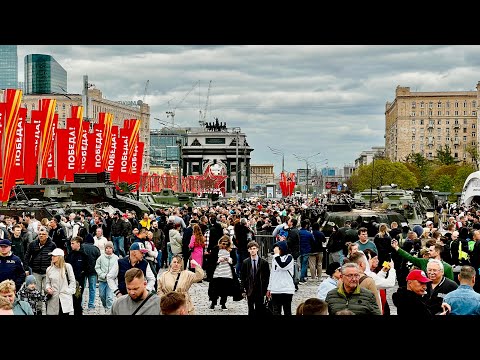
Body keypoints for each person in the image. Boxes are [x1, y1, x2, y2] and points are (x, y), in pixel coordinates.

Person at [23, 227, 56, 314]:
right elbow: (26, 256)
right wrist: (26, 268)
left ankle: (49, 311)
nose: (41, 236)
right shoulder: (32, 244)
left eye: (43, 234)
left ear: (47, 235)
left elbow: (55, 258)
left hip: (47, 272)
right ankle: (38, 310)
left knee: (48, 291)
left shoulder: (52, 245)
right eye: (40, 234)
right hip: (35, 271)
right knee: (35, 291)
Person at [207, 235, 241, 310]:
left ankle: (223, 303)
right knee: (214, 288)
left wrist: (229, 259)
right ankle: (213, 302)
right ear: (220, 243)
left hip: (227, 272)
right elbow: (211, 260)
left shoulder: (231, 250)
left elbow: (235, 261)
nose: (224, 245)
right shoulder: (216, 249)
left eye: (226, 244)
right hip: (217, 272)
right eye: (223, 244)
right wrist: (218, 260)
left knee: (225, 289)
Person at [240, 240, 270, 315]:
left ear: (257, 249)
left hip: (260, 289)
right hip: (250, 288)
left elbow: (267, 277)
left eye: (254, 248)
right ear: (248, 250)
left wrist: (267, 289)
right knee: (250, 309)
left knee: (259, 308)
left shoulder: (264, 263)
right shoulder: (245, 262)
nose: (252, 251)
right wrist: (242, 289)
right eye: (251, 249)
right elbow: (243, 277)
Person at [266, 240, 296, 315]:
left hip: (287, 289)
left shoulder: (289, 257)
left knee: (287, 310)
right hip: (276, 289)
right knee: (276, 311)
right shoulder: (275, 259)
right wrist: (269, 288)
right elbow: (272, 274)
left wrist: (276, 255)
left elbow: (283, 265)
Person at [45, 248, 76, 315]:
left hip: (65, 297)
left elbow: (72, 281)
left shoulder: (67, 267)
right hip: (53, 298)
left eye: (54, 256)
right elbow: (47, 282)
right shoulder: (49, 269)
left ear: (60, 257)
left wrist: (69, 291)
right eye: (52, 256)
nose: (52, 257)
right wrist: (48, 288)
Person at [95, 241, 118, 313]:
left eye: (110, 248)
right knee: (102, 296)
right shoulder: (101, 258)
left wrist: (113, 276)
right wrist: (102, 275)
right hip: (102, 280)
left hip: (111, 281)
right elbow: (97, 268)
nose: (108, 249)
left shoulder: (116, 258)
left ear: (112, 249)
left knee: (109, 297)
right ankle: (105, 306)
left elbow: (118, 268)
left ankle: (109, 311)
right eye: (107, 248)